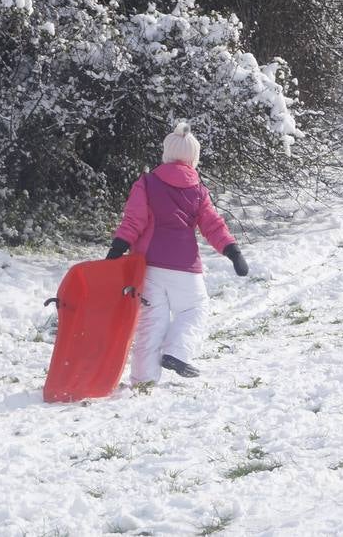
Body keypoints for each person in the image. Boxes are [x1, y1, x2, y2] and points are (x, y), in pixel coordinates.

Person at [106, 122, 249, 384]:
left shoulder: (146, 183)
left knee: (152, 322)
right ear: (193, 158)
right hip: (184, 266)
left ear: (166, 154)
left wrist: (117, 249)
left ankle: (144, 380)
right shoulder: (198, 190)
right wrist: (232, 250)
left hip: (147, 266)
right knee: (195, 307)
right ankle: (177, 352)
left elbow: (133, 221)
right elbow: (212, 225)